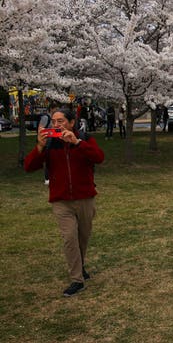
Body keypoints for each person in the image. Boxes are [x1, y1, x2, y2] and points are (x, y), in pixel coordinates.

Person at [23, 109, 105, 297]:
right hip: (61, 201)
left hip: (85, 197)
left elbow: (99, 158)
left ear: (71, 122)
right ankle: (77, 279)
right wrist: (40, 147)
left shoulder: (83, 139)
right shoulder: (50, 143)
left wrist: (77, 143)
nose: (57, 125)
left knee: (82, 237)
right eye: (53, 121)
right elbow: (29, 166)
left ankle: (80, 265)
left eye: (61, 121)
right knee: (69, 238)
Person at [38, 102, 59, 185]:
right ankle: (47, 178)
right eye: (56, 109)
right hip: (47, 141)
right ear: (51, 109)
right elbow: (40, 129)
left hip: (54, 140)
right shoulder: (46, 117)